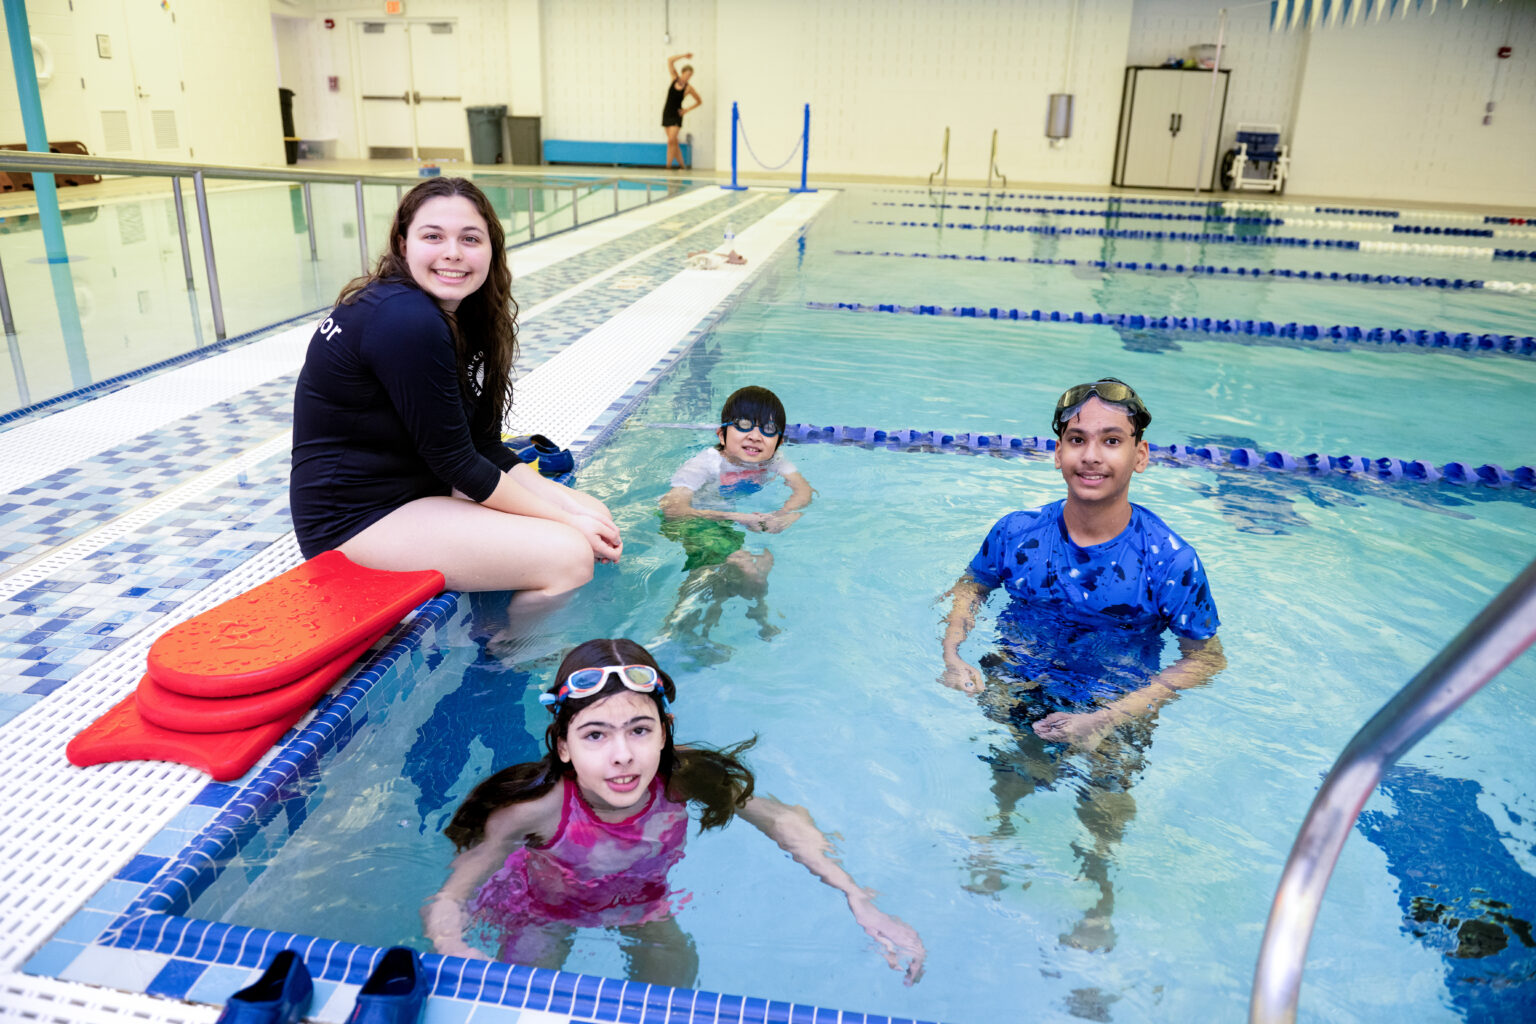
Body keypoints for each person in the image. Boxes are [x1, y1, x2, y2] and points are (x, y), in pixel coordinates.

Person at [422, 638, 925, 986]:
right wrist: (454, 947)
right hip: (542, 911)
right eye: (595, 734)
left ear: (665, 732)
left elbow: (782, 819)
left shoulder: (682, 779)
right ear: (563, 746)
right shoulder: (537, 809)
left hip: (643, 905)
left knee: (675, 992)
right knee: (521, 1001)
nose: (623, 755)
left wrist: (856, 895)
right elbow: (449, 896)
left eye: (639, 730)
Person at [938, 377, 1225, 952]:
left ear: (1139, 456)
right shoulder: (1018, 534)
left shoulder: (1168, 560)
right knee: (1013, 766)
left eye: (1111, 441)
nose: (1091, 455)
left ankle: (1099, 895)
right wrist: (953, 653)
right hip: (1023, 676)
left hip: (1116, 700)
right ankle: (999, 833)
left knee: (1105, 799)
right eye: (1077, 439)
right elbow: (971, 586)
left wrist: (1110, 717)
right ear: (1057, 453)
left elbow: (1206, 659)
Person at [289, 177, 621, 617]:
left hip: (415, 490)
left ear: (491, 250)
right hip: (356, 518)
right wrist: (565, 521)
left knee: (593, 514)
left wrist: (571, 510)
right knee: (568, 556)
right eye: (433, 237)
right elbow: (457, 463)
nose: (453, 253)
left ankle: (500, 613)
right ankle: (510, 662)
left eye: (470, 238)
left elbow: (482, 445)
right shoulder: (405, 319)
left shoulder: (458, 314)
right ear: (402, 244)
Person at [657, 386, 812, 662]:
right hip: (693, 520)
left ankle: (716, 625)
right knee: (730, 564)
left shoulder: (773, 461)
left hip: (724, 526)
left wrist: (787, 514)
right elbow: (672, 509)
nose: (755, 435)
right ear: (721, 434)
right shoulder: (704, 465)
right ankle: (675, 631)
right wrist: (737, 518)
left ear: (778, 442)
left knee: (744, 568)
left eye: (768, 429)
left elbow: (803, 491)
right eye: (743, 425)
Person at [662, 53, 702, 170]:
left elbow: (699, 101)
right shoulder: (674, 78)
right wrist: (684, 56)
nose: (688, 77)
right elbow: (670, 60)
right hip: (667, 112)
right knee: (674, 142)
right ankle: (682, 166)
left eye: (690, 75)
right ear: (683, 72)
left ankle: (668, 167)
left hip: (677, 115)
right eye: (687, 74)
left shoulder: (689, 88)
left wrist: (686, 110)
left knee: (670, 141)